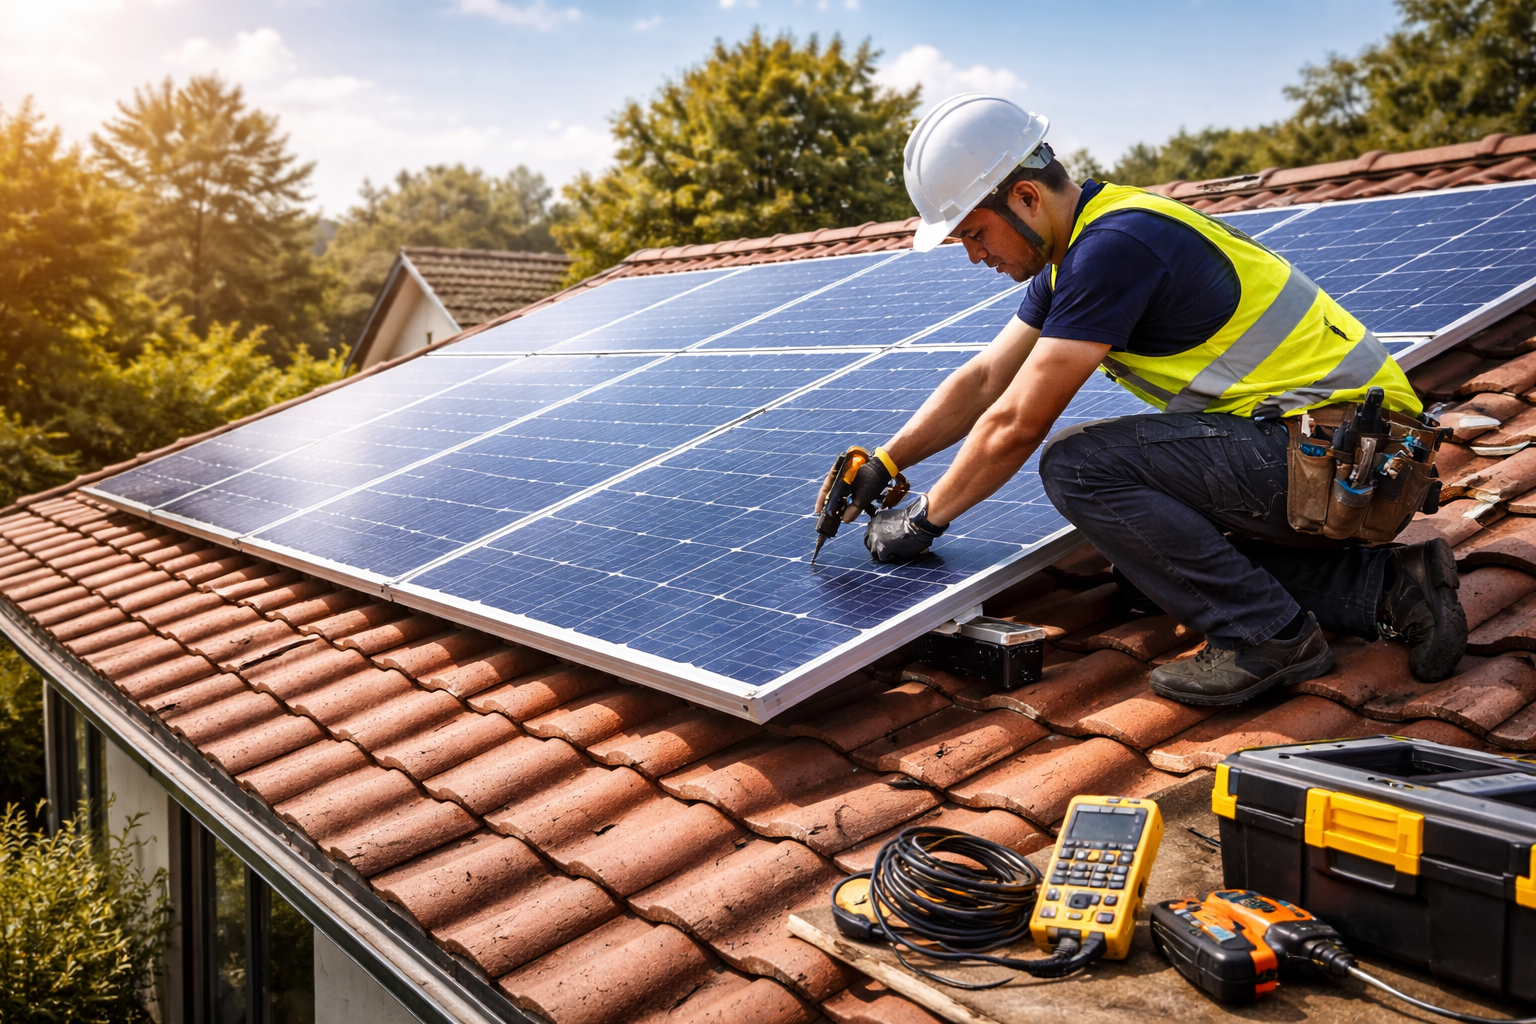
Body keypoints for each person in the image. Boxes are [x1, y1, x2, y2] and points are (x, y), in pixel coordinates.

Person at [818, 93, 1466, 707]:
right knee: (1147, 566)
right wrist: (888, 461)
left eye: (973, 233)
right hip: (1337, 450)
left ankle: (1267, 636)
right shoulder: (1081, 248)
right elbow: (988, 378)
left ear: (1025, 197)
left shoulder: (1113, 250)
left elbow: (1016, 422)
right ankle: (1389, 586)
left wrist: (925, 519)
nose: (973, 255)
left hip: (1347, 454)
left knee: (1078, 466)